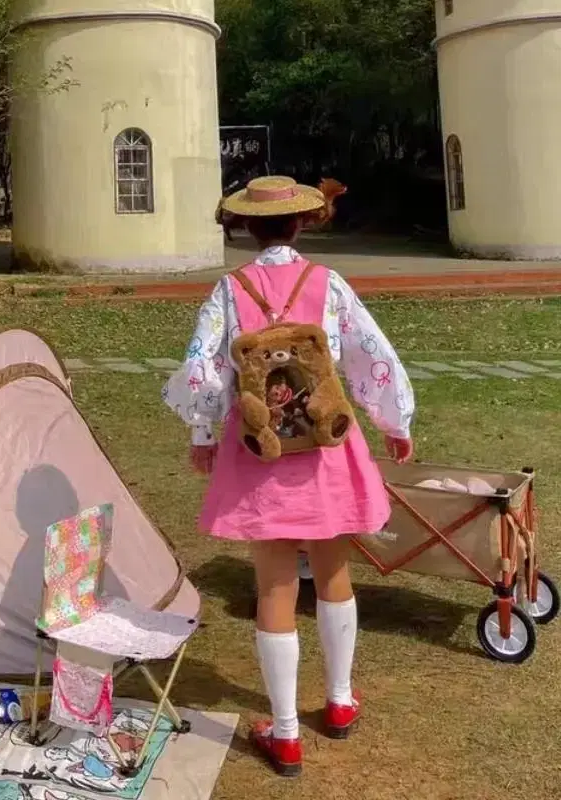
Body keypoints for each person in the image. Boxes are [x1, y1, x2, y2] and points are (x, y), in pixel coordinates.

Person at [163, 175, 415, 778]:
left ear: (248, 228)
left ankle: (285, 734)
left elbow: (202, 371)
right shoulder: (328, 285)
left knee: (275, 586)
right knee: (333, 573)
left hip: (262, 450)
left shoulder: (229, 289)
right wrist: (394, 421)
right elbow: (370, 353)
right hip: (327, 447)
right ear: (301, 222)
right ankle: (341, 700)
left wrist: (203, 435)